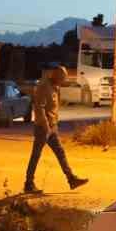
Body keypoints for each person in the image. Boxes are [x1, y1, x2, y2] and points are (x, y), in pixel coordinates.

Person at [25, 67, 87, 195]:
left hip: (52, 127)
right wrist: (46, 126)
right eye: (62, 79)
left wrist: (53, 125)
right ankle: (28, 184)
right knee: (36, 155)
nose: (63, 81)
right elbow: (39, 108)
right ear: (55, 76)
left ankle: (71, 179)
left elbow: (52, 107)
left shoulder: (54, 86)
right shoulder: (44, 87)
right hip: (43, 128)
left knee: (60, 152)